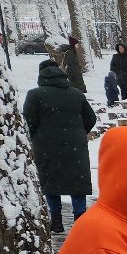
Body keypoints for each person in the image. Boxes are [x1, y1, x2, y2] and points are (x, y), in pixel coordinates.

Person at [22, 56, 97, 234]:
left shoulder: (35, 95)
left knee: (50, 183)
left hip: (46, 146)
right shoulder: (76, 94)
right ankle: (80, 219)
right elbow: (91, 119)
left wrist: (38, 136)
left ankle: (56, 220)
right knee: (77, 183)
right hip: (75, 147)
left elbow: (28, 122)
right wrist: (77, 132)